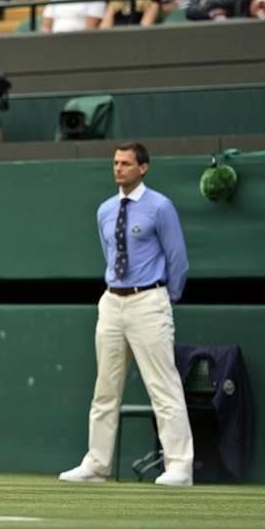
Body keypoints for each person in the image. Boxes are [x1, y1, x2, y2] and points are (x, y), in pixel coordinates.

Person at [59, 142, 194, 487]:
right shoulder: (105, 209)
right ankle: (97, 464)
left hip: (149, 299)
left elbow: (177, 257)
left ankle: (180, 465)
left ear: (143, 168)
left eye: (126, 163)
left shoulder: (160, 207)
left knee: (163, 385)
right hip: (111, 301)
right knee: (105, 388)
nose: (118, 168)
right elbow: (110, 254)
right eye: (115, 162)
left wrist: (164, 297)